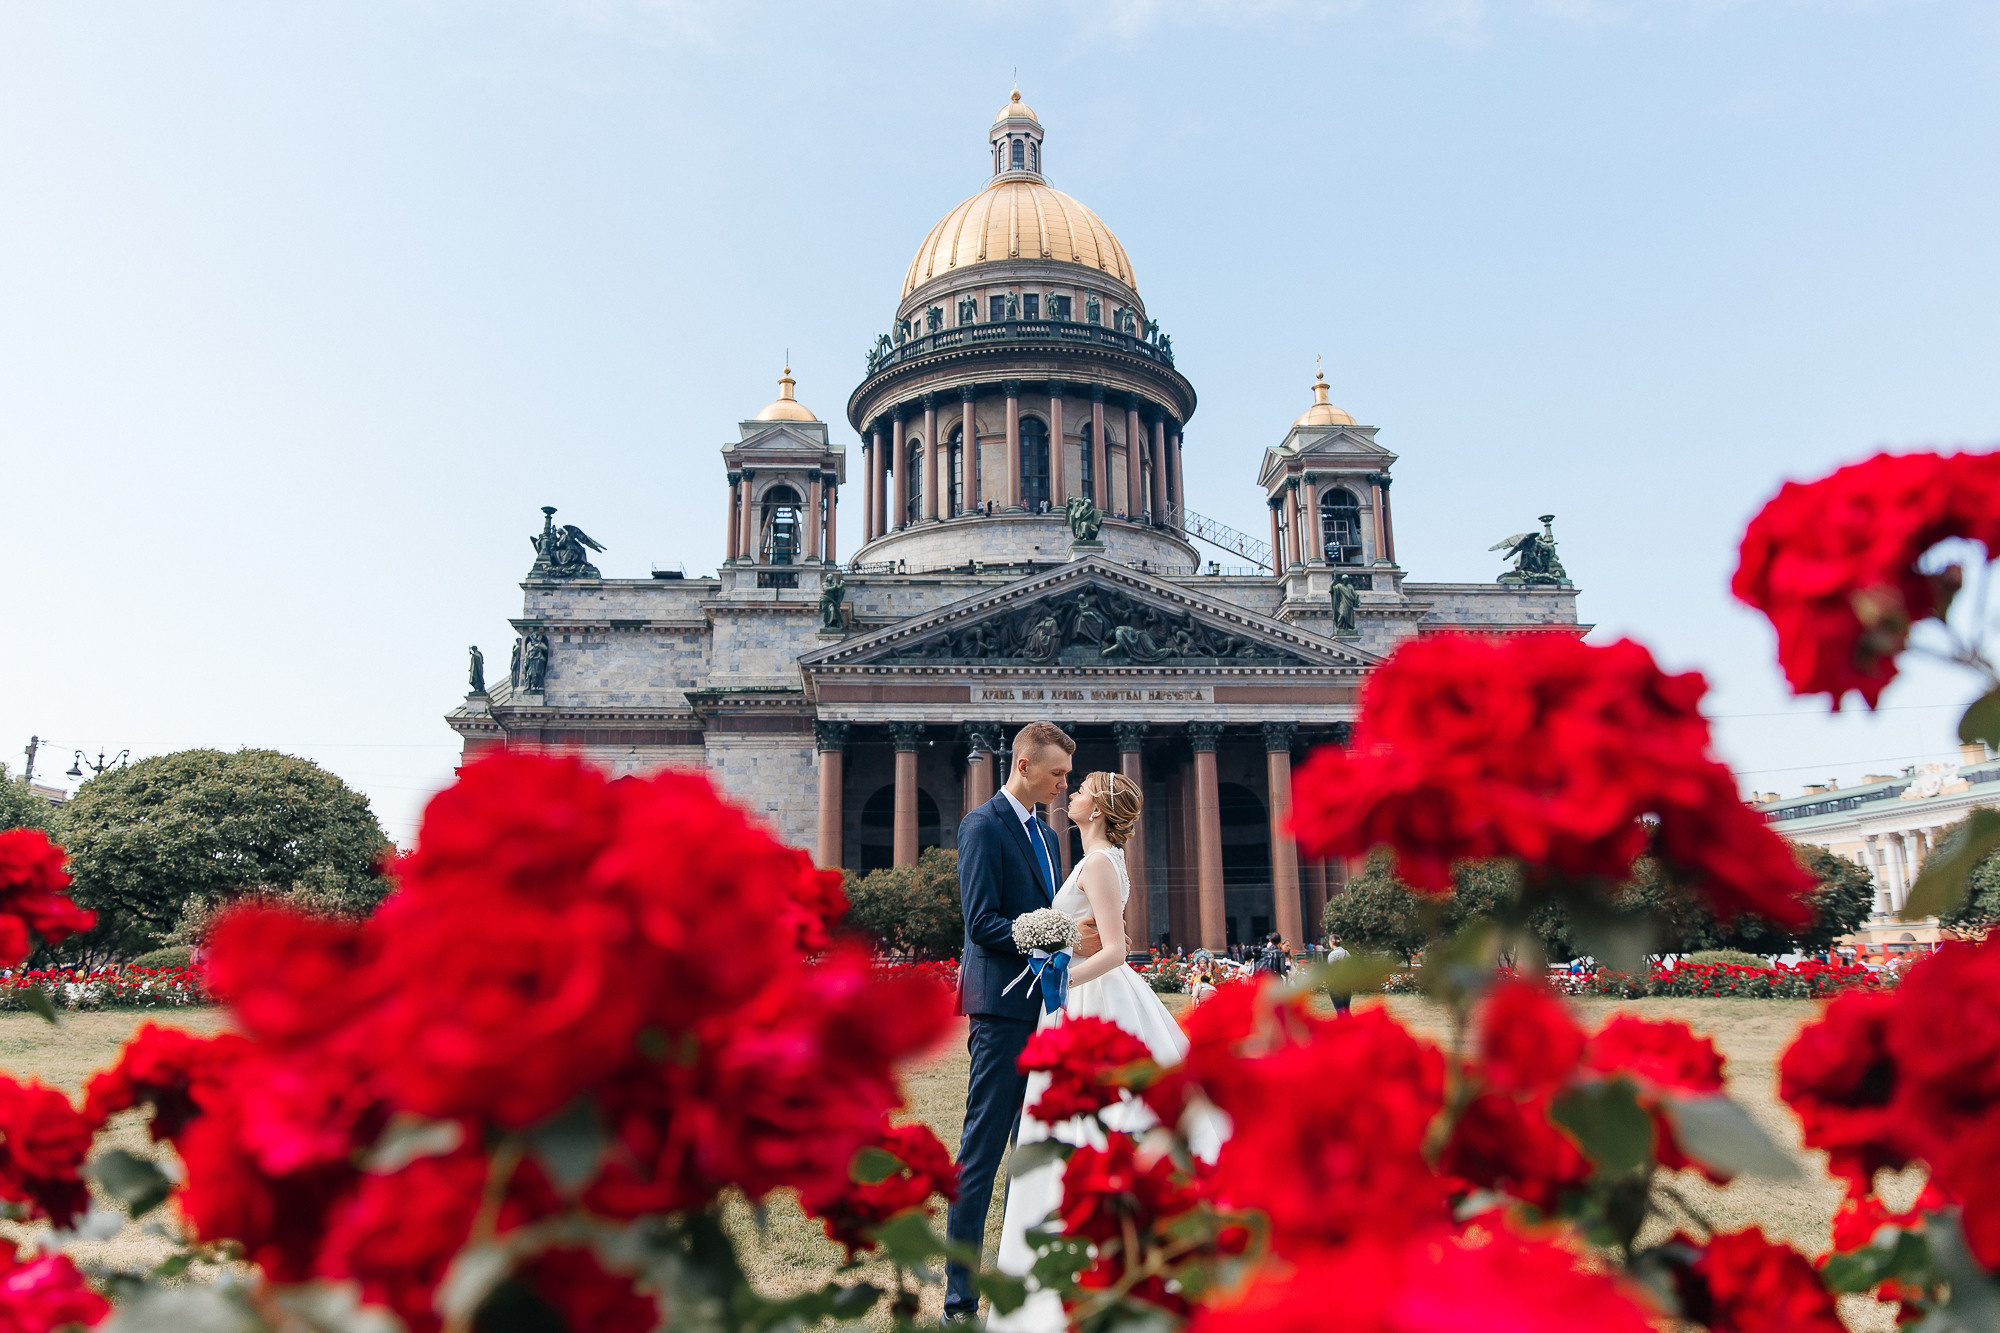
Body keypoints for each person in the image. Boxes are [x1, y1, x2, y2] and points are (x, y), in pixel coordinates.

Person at [990, 771, 1225, 1333]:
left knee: (1095, 1112)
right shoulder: (1100, 859)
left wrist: (1061, 978)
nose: (1071, 793)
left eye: (1081, 789)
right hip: (1085, 989)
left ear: (1096, 810)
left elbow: (1117, 950)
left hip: (1092, 994)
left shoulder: (1098, 862)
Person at [943, 721, 1075, 1323]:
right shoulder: (982, 826)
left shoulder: (1047, 835)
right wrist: (1048, 934)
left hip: (1040, 1009)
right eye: (1057, 773)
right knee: (981, 1155)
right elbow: (980, 922)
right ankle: (959, 1301)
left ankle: (1025, 1290)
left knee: (1033, 1151)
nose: (1063, 784)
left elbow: (1047, 907)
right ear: (1024, 765)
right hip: (999, 1012)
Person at [1325, 932, 1353, 1015]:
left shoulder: (1332, 955)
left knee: (1340, 1011)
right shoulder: (1347, 953)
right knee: (1347, 1010)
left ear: (1331, 942)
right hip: (1347, 983)